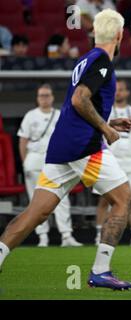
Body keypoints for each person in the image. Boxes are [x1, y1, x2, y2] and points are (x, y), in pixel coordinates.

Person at [0, 9, 131, 290]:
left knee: (35, 213)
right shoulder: (102, 61)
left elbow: (81, 105)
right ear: (120, 35)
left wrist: (109, 121)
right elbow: (79, 99)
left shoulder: (86, 58)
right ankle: (101, 270)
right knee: (124, 200)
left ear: (94, 33)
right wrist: (106, 129)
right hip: (82, 147)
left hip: (61, 146)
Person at [17, 84, 83, 248]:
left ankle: (66, 235)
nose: (44, 98)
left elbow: (69, 138)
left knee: (61, 197)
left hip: (56, 161)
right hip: (34, 160)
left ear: (52, 97)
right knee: (36, 201)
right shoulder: (30, 116)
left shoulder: (60, 115)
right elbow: (23, 141)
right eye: (41, 95)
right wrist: (25, 161)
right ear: (37, 98)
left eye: (47, 95)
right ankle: (43, 236)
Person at [94, 80, 131, 247]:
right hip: (109, 159)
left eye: (122, 90)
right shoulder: (104, 111)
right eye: (116, 90)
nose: (119, 93)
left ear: (127, 93)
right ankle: (99, 234)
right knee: (104, 199)